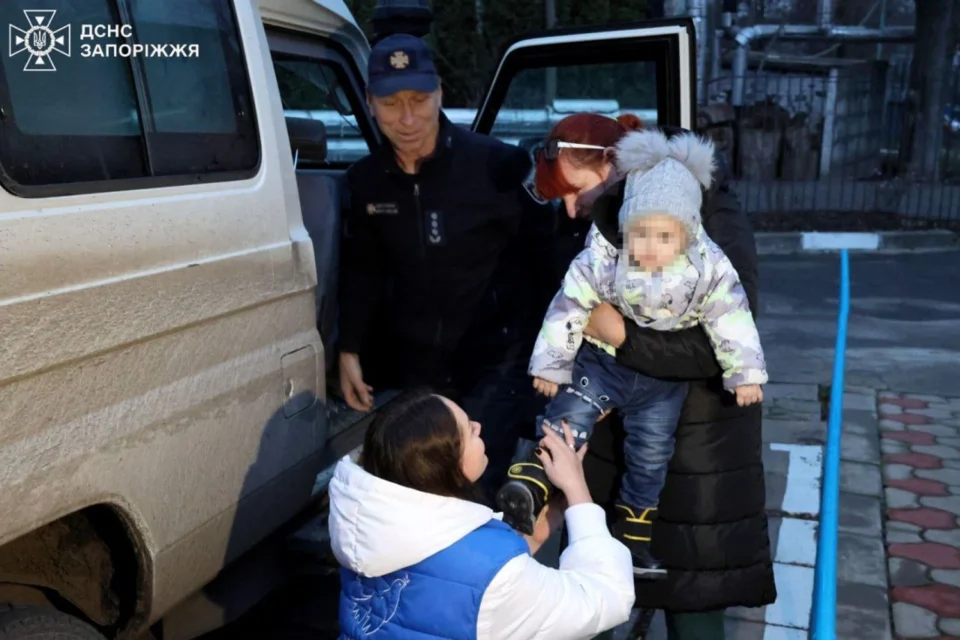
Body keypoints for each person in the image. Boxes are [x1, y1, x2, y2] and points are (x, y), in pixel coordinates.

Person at [531, 113, 776, 639]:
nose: (572, 209)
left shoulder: (717, 223)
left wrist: (619, 335)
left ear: (611, 165)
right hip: (617, 445)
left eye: (578, 193)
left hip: (697, 461)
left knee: (692, 606)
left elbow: (722, 344)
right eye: (562, 201)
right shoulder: (608, 218)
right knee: (595, 598)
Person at [336, 33, 553, 497]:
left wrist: (556, 353)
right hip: (418, 368)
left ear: (439, 93)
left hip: (496, 360)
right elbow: (363, 269)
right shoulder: (366, 181)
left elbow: (547, 262)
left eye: (419, 99)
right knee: (423, 488)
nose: (408, 118)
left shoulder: (499, 166)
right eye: (392, 103)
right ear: (371, 103)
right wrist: (349, 348)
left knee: (471, 485)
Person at [328, 389, 635, 640]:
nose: (478, 426)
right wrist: (578, 490)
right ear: (449, 466)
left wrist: (548, 519)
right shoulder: (494, 575)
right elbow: (607, 598)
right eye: (468, 430)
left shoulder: (366, 524)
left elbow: (450, 581)